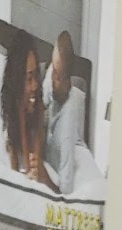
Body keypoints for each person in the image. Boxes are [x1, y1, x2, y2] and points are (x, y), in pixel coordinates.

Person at [0, 28, 47, 182]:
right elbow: (19, 169)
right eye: (28, 78)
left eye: (36, 75)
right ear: (17, 81)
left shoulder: (37, 104)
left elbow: (33, 167)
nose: (35, 85)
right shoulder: (9, 117)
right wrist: (20, 109)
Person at [42, 29, 80, 197]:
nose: (51, 77)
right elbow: (41, 101)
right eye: (53, 69)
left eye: (56, 75)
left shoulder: (66, 131)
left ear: (67, 81)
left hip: (53, 178)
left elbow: (66, 192)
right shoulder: (53, 74)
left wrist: (45, 179)